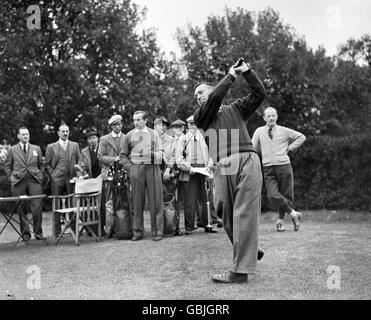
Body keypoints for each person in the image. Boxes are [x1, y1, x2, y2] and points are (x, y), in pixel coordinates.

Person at [193, 58, 265, 283]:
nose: (198, 96)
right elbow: (214, 100)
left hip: (247, 160)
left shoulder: (236, 108)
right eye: (195, 95)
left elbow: (259, 94)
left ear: (214, 89)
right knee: (224, 211)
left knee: (244, 212)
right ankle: (249, 249)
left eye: (201, 92)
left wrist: (247, 72)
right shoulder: (200, 117)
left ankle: (239, 272)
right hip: (223, 165)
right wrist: (231, 76)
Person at [252, 107, 306, 232]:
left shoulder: (284, 130)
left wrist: (290, 148)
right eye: (268, 116)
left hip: (284, 166)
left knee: (286, 195)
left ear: (276, 117)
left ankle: (280, 222)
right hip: (268, 168)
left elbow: (301, 137)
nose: (271, 118)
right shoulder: (259, 131)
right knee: (273, 195)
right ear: (264, 118)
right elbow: (253, 146)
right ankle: (294, 215)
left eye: (273, 115)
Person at [120, 111, 164, 241]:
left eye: (138, 119)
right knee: (137, 202)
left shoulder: (153, 133)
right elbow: (123, 156)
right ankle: (137, 232)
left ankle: (157, 232)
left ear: (145, 120)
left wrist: (155, 155)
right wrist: (131, 168)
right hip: (136, 169)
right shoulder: (129, 135)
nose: (136, 122)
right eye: (134, 120)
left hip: (152, 168)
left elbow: (160, 151)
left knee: (155, 200)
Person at [175, 115, 218, 235]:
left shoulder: (205, 138)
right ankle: (189, 227)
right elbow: (179, 159)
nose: (193, 126)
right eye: (190, 124)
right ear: (187, 125)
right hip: (190, 171)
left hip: (204, 170)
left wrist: (209, 165)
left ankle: (207, 224)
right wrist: (188, 168)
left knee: (206, 199)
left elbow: (212, 154)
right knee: (190, 200)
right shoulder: (182, 140)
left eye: (195, 124)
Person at [4, 127, 45, 240]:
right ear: (18, 136)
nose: (26, 136)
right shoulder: (12, 150)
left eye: (27, 134)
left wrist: (40, 175)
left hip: (34, 180)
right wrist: (11, 177)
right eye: (23, 134)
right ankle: (25, 234)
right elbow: (7, 166)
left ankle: (38, 233)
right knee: (21, 207)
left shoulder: (36, 148)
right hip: (18, 181)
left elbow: (42, 164)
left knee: (37, 207)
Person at [98, 114, 131, 240]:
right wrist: (114, 159)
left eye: (119, 124)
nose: (118, 126)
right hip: (110, 174)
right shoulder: (104, 139)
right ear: (111, 126)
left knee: (126, 201)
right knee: (110, 203)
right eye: (115, 124)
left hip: (124, 173)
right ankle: (109, 229)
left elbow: (131, 155)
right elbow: (100, 157)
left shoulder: (127, 137)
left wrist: (124, 162)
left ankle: (126, 227)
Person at [45, 123, 80, 236]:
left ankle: (74, 229)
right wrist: (53, 175)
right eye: (63, 131)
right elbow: (47, 164)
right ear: (58, 133)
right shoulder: (51, 147)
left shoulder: (75, 145)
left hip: (71, 178)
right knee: (56, 203)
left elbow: (79, 162)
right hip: (57, 178)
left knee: (72, 203)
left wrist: (77, 175)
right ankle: (57, 231)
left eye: (67, 131)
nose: (65, 133)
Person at [164, 119, 186, 236]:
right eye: (174, 127)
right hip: (164, 175)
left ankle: (176, 227)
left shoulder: (175, 141)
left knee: (176, 201)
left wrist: (171, 169)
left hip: (177, 174)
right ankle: (167, 226)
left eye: (178, 127)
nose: (175, 129)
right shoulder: (161, 140)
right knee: (167, 201)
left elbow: (176, 157)